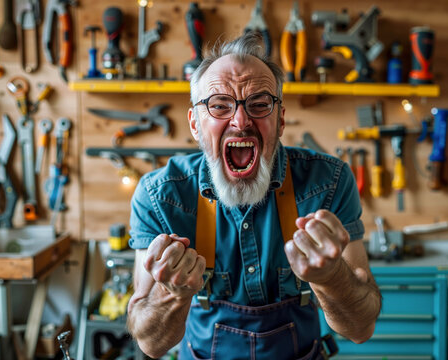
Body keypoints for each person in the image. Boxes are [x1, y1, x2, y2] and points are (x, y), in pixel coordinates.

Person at [126, 32, 381, 360]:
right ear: (194, 124)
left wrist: (332, 278)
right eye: (219, 106)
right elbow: (150, 343)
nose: (241, 121)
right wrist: (170, 293)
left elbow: (361, 329)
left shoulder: (329, 182)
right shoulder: (160, 195)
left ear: (281, 119)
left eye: (260, 104)